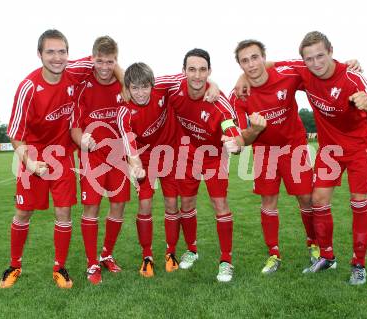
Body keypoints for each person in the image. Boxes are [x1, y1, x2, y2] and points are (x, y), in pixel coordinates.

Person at [274, 31, 367, 285]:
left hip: (360, 148)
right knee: (318, 200)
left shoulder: (353, 77)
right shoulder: (303, 71)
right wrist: (239, 78)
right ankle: (327, 257)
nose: (315, 63)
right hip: (330, 151)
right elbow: (265, 65)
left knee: (359, 203)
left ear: (331, 51)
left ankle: (359, 264)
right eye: (309, 58)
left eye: (320, 56)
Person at [0, 29, 93, 289]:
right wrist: (29, 163)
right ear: (39, 54)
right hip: (34, 154)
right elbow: (15, 134)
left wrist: (82, 140)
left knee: (64, 212)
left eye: (61, 51)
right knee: (23, 212)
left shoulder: (74, 78)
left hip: (62, 155)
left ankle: (59, 267)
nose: (56, 57)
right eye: (50, 51)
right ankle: (14, 265)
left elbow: (107, 56)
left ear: (67, 54)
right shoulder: (28, 87)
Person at [230, 39, 317, 275]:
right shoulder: (239, 95)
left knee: (306, 198)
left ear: (264, 58)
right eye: (244, 61)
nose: (251, 64)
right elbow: (241, 139)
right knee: (268, 201)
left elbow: (318, 65)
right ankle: (274, 254)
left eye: (255, 57)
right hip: (264, 151)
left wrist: (349, 64)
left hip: (293, 146)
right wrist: (254, 130)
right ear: (240, 65)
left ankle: (315, 245)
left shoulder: (287, 74)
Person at [167, 48, 249, 282]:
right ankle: (191, 250)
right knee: (187, 203)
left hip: (214, 155)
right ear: (183, 71)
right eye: (192, 69)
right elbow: (144, 85)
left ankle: (226, 261)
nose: (197, 75)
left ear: (209, 71)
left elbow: (229, 125)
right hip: (187, 154)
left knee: (219, 203)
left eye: (203, 70)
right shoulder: (174, 90)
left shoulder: (218, 100)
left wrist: (235, 141)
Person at [117, 63, 185, 277]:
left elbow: (191, 78)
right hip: (144, 157)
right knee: (144, 203)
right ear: (127, 88)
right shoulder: (124, 112)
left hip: (169, 152)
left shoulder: (163, 86)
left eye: (145, 87)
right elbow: (129, 146)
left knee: (172, 202)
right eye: (135, 88)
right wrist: (136, 166)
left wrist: (212, 85)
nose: (140, 93)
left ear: (152, 85)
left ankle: (171, 252)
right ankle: (147, 256)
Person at [71, 36, 129, 285]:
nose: (105, 67)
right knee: (91, 208)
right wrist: (82, 138)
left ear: (116, 60)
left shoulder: (123, 84)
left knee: (118, 206)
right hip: (92, 155)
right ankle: (91, 262)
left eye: (110, 61)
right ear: (92, 58)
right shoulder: (82, 84)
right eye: (100, 61)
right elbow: (73, 124)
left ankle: (106, 254)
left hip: (118, 155)